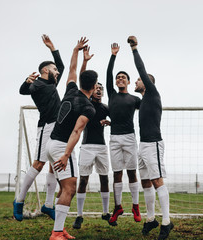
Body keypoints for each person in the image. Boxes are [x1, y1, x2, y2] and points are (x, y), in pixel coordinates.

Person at [46, 37, 97, 240]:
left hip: (51, 144)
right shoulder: (88, 108)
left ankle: (59, 228)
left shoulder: (70, 89)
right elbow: (76, 132)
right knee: (70, 187)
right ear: (94, 87)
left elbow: (72, 69)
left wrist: (76, 51)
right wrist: (67, 155)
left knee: (66, 187)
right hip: (61, 147)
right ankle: (57, 232)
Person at [128, 36, 173, 240]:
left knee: (157, 181)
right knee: (145, 182)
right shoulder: (144, 100)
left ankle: (166, 222)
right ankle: (151, 219)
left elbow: (140, 70)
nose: (136, 82)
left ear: (147, 82)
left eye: (139, 80)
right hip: (143, 145)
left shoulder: (153, 93)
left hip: (153, 143)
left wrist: (134, 49)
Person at [14, 34, 64, 221]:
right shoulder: (38, 84)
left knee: (54, 166)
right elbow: (23, 91)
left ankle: (48, 205)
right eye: (53, 69)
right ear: (45, 70)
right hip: (46, 127)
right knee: (39, 164)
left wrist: (53, 48)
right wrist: (26, 82)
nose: (57, 71)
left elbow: (62, 66)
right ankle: (19, 201)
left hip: (58, 128)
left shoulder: (52, 83)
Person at [72, 47, 111, 229]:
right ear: (92, 89)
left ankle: (105, 212)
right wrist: (85, 61)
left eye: (101, 89)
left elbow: (118, 119)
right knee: (84, 180)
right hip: (87, 146)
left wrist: (111, 123)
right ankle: (79, 215)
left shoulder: (105, 108)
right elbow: (82, 79)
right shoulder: (86, 103)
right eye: (97, 87)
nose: (99, 90)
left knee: (104, 179)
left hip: (102, 147)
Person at [106, 43, 141, 226]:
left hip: (129, 137)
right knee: (117, 174)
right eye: (118, 77)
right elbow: (108, 73)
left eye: (123, 77)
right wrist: (113, 56)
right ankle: (118, 207)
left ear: (128, 82)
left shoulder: (135, 99)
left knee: (132, 173)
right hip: (114, 138)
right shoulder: (111, 95)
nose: (120, 79)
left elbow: (147, 110)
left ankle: (136, 206)